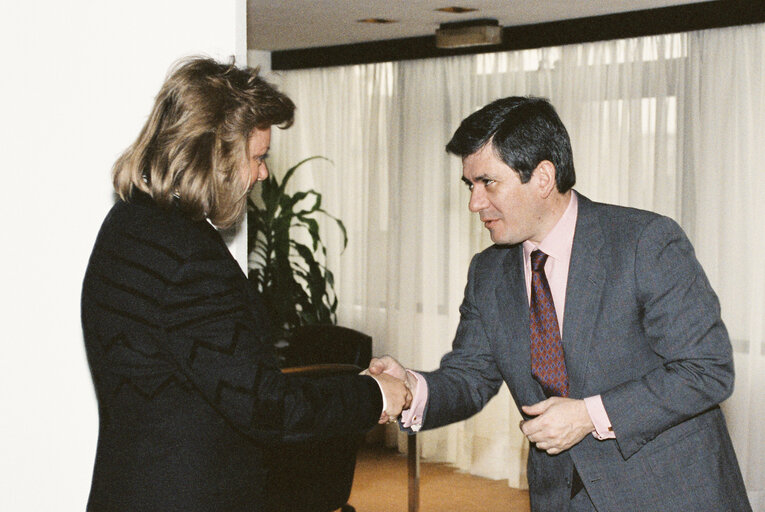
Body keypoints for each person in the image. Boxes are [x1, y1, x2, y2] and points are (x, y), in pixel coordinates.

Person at [369, 97, 751, 511]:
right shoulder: (487, 271)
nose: (474, 203)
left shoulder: (644, 242)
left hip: (667, 493)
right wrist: (411, 389)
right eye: (470, 186)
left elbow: (706, 369)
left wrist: (590, 415)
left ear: (543, 177)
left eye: (488, 183)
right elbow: (469, 377)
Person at [81, 57, 411, 511]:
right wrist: (372, 393)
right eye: (257, 157)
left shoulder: (128, 223)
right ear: (213, 154)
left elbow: (205, 375)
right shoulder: (187, 256)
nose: (263, 174)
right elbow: (266, 407)